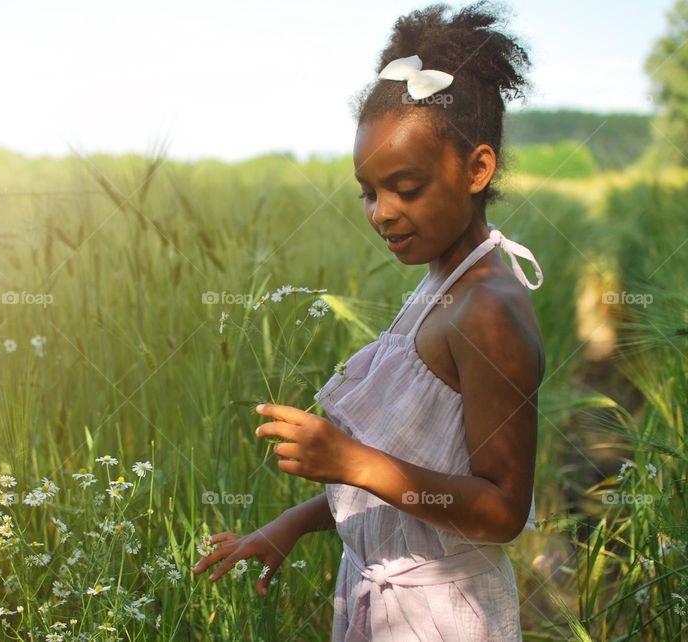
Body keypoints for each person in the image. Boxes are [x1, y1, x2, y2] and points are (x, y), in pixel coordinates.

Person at [192, 1, 544, 639]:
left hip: (441, 618)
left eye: (406, 188)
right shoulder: (439, 284)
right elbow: (408, 475)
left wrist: (352, 461)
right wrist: (290, 525)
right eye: (368, 191)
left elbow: (501, 510)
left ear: (477, 169)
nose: (382, 212)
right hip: (384, 605)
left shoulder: (488, 310)